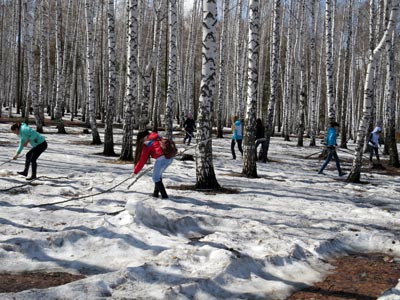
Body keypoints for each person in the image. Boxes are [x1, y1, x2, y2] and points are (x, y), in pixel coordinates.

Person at [133, 130, 173, 199]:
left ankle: (165, 196)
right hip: (170, 158)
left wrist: (135, 171)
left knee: (155, 177)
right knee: (158, 175)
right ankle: (155, 194)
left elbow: (142, 160)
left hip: (161, 159)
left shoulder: (146, 143)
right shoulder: (157, 136)